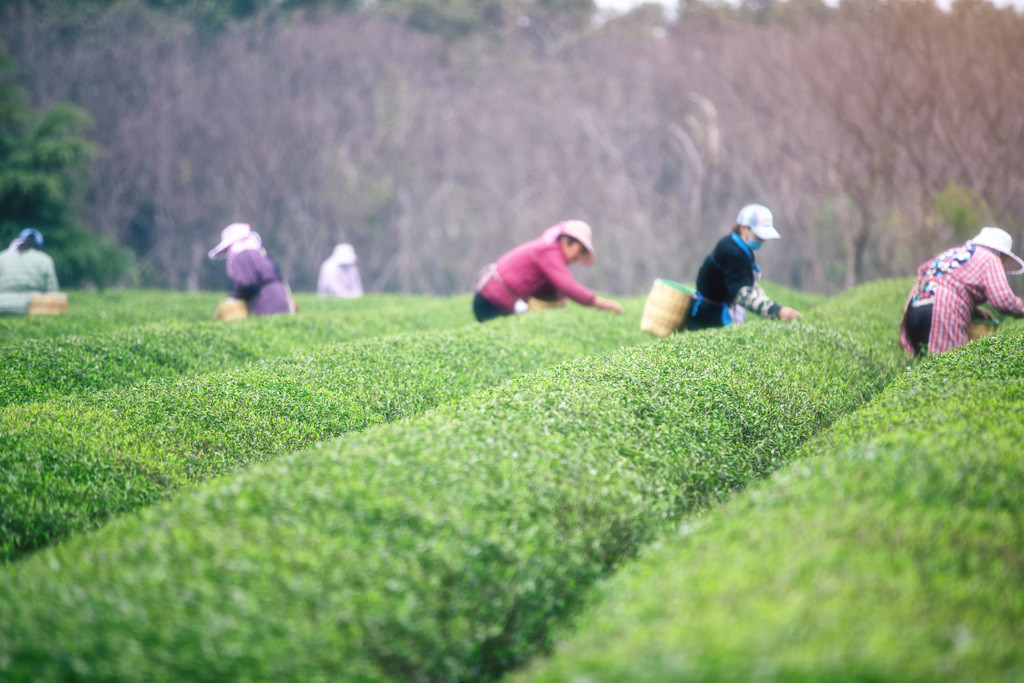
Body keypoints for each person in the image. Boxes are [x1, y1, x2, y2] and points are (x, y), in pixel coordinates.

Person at [899, 226, 1024, 357]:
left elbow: (948, 282)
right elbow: (1002, 299)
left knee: (921, 363)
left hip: (916, 302)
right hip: (942, 306)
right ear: (1000, 253)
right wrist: (1020, 309)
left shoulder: (954, 252)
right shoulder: (991, 258)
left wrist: (973, 309)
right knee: (947, 365)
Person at [472, 219, 624, 323]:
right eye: (580, 249)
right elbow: (569, 287)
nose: (579, 256)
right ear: (565, 241)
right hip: (491, 301)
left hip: (493, 302)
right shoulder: (549, 252)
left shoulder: (550, 253)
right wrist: (605, 304)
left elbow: (553, 291)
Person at [686, 203, 802, 331]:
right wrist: (777, 311)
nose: (761, 241)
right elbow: (742, 293)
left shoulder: (739, 247)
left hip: (717, 311)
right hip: (708, 317)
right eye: (758, 236)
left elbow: (748, 285)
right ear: (743, 229)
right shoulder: (731, 251)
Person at [208, 222, 293, 316]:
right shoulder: (256, 253)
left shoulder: (240, 255)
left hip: (266, 300)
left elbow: (248, 282)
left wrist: (232, 298)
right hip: (280, 296)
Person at [0, 228, 61, 316]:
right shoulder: (45, 259)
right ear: (39, 245)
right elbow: (53, 293)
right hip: (32, 308)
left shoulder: (2, 256)